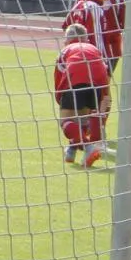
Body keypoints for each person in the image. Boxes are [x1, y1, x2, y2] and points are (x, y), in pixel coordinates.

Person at [54, 23, 111, 167]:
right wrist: (104, 99)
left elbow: (58, 80)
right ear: (86, 39)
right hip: (97, 83)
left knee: (66, 121)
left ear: (67, 39)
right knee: (83, 120)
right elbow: (104, 71)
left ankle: (89, 148)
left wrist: (61, 101)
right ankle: (71, 150)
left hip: (75, 79)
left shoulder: (65, 51)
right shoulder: (94, 49)